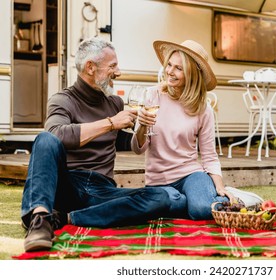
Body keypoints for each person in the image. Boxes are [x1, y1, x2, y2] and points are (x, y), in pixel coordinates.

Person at [21, 37, 170, 252]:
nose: (118, 72)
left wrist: (143, 127)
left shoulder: (114, 103)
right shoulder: (63, 100)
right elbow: (57, 134)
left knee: (162, 196)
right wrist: (111, 123)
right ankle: (39, 220)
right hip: (68, 186)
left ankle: (64, 218)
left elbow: (123, 141)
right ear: (90, 67)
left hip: (101, 191)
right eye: (112, 66)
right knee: (44, 139)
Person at [131, 40, 262, 220]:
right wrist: (142, 125)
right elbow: (138, 149)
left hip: (191, 175)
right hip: (157, 181)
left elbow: (209, 155)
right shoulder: (152, 96)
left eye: (178, 68)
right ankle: (203, 200)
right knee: (174, 204)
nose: (170, 71)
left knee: (200, 210)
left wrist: (220, 186)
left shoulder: (203, 108)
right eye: (169, 65)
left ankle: (211, 196)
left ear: (192, 74)